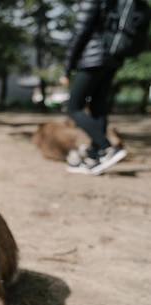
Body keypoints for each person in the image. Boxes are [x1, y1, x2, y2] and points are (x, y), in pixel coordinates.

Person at [60, 0, 128, 175]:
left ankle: (107, 149)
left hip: (92, 58)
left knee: (72, 108)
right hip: (112, 59)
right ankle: (93, 158)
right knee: (98, 110)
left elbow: (80, 33)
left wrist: (66, 68)